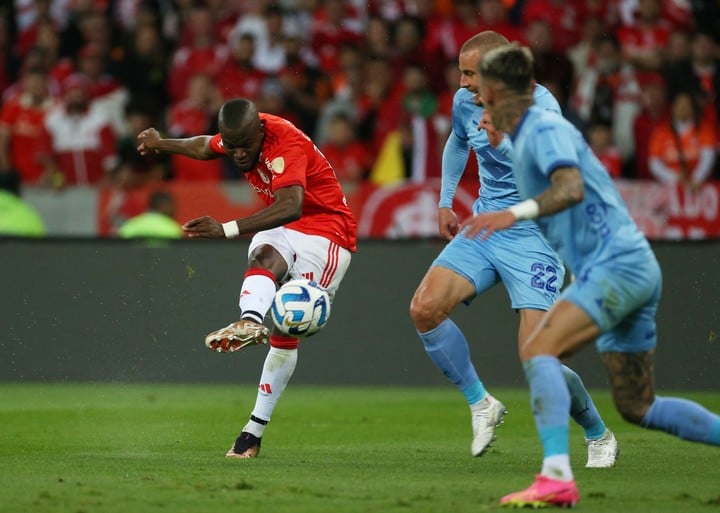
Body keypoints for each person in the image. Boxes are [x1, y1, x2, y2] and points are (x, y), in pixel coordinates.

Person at [464, 44, 720, 508]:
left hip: (615, 266)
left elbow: (571, 186)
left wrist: (512, 214)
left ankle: (557, 478)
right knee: (638, 406)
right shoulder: (524, 137)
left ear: (499, 93)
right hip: (628, 267)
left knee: (539, 348)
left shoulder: (544, 128)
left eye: (480, 92)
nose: (474, 101)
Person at [409, 31, 618, 466]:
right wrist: (446, 201)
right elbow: (458, 141)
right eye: (462, 72)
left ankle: (598, 433)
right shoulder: (465, 101)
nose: (462, 82)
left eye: (470, 73)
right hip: (486, 224)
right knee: (424, 308)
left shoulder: (542, 108)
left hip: (535, 234)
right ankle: (481, 403)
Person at [137, 98, 357, 458]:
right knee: (262, 254)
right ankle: (250, 322)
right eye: (232, 146)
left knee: (287, 328)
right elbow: (205, 146)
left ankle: (253, 429)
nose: (238, 154)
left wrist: (225, 228)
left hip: (327, 232)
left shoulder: (285, 142)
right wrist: (162, 143)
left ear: (259, 132)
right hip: (287, 227)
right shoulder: (239, 136)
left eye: (245, 146)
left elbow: (291, 204)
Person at [118, 190, 183, 240]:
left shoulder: (129, 226)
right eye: (171, 205)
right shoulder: (172, 228)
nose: (174, 209)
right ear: (163, 205)